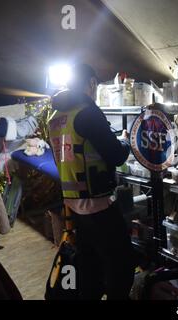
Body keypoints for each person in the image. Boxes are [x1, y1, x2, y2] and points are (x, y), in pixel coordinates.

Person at [48, 64, 135, 300]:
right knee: (122, 267)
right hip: (98, 204)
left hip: (75, 205)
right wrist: (126, 141)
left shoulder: (56, 117)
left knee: (91, 268)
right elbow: (116, 156)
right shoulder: (87, 112)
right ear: (91, 83)